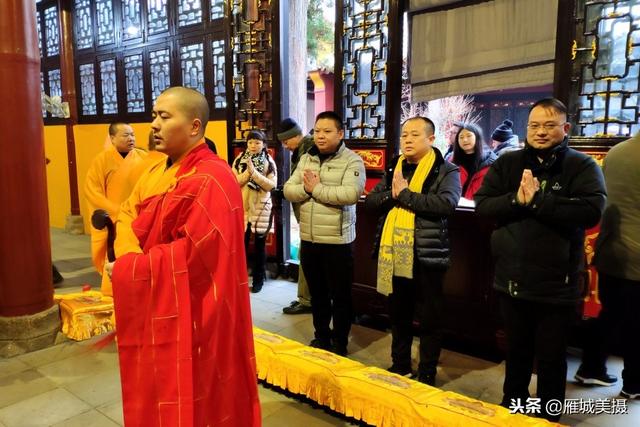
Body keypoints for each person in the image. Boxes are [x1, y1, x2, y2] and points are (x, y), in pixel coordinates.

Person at [109, 87, 260, 426]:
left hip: (197, 306)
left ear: (194, 126)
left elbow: (195, 256)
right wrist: (130, 257)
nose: (154, 125)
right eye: (153, 116)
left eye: (164, 117)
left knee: (199, 387)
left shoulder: (213, 178)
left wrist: (131, 267)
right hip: (160, 299)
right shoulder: (156, 169)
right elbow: (128, 212)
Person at [474, 97, 606, 422]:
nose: (541, 132)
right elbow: (483, 204)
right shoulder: (507, 163)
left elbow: (591, 211)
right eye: (534, 125)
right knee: (516, 354)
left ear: (565, 128)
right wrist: (517, 200)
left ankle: (549, 417)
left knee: (550, 358)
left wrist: (538, 202)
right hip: (511, 278)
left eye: (549, 125)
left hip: (556, 285)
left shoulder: (581, 166)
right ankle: (513, 411)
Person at [365, 116, 461, 385]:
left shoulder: (446, 170)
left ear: (431, 139)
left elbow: (446, 204)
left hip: (428, 255)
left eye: (414, 135)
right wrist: (392, 195)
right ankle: (400, 364)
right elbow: (372, 200)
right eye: (404, 134)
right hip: (395, 252)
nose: (406, 139)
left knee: (430, 318)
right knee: (398, 314)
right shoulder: (395, 167)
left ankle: (428, 371)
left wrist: (404, 196)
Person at [283, 111, 365, 356]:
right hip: (309, 239)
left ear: (340, 134)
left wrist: (314, 188)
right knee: (317, 295)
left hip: (337, 242)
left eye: (327, 131)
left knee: (340, 296)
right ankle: (322, 337)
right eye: (317, 130)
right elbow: (288, 189)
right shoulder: (307, 158)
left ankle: (340, 342)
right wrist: (310, 190)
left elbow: (350, 195)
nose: (320, 135)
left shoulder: (353, 161)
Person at [575, 132, 640, 399]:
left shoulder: (617, 152)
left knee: (611, 313)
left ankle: (591, 367)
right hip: (637, 254)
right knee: (636, 322)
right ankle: (635, 384)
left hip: (611, 248)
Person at [84, 121, 147, 296]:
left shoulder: (143, 157)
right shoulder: (101, 160)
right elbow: (92, 190)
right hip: (113, 219)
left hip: (138, 216)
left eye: (133, 134)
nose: (131, 138)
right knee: (114, 254)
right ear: (112, 138)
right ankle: (112, 290)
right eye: (126, 135)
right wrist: (116, 211)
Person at [277, 118, 315, 314]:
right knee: (305, 254)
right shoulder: (303, 149)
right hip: (307, 212)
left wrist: (287, 191)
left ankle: (307, 300)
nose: (285, 146)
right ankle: (306, 298)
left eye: (286, 142)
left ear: (295, 136)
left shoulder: (308, 149)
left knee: (307, 256)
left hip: (311, 212)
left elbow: (308, 185)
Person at [232, 129, 277, 293]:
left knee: (259, 247)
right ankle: (240, 278)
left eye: (257, 142)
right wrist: (247, 173)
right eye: (250, 142)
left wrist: (255, 174)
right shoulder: (239, 160)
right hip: (242, 206)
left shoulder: (268, 161)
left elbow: (272, 185)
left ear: (264, 144)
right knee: (240, 245)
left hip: (261, 207)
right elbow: (233, 182)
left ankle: (259, 280)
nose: (253, 145)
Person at [451, 122, 496, 200]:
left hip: (480, 208)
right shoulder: (452, 162)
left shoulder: (492, 163)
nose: (465, 140)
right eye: (461, 137)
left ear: (477, 137)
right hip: (456, 208)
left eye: (469, 136)